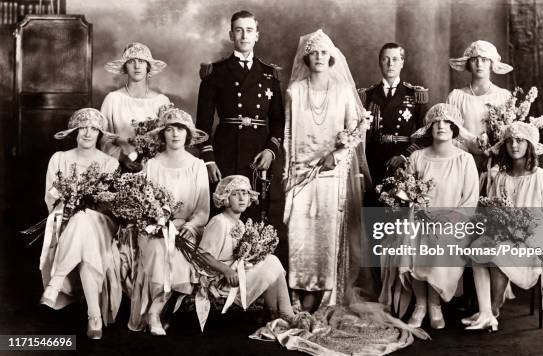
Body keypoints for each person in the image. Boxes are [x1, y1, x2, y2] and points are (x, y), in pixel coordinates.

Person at [283, 29, 369, 311]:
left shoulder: (343, 91)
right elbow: (287, 134)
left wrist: (339, 152)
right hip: (300, 173)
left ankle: (326, 293)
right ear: (306, 57)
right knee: (300, 232)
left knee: (326, 232)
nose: (319, 57)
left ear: (331, 57)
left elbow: (357, 128)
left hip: (332, 173)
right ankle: (300, 291)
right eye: (314, 52)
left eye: (324, 53)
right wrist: (288, 172)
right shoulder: (295, 91)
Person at [385, 103, 479, 329]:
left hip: (452, 221)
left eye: (447, 123)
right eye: (436, 123)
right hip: (419, 217)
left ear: (455, 128)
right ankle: (420, 305)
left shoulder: (464, 160)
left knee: (439, 241)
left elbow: (470, 200)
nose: (441, 126)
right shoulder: (417, 157)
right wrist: (409, 200)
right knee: (415, 238)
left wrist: (449, 220)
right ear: (429, 128)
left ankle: (435, 306)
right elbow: (406, 190)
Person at [463, 121, 543, 331]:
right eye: (509, 141)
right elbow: (492, 210)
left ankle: (492, 310)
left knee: (498, 252)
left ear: (530, 145)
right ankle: (486, 312)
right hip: (504, 235)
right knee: (477, 247)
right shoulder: (500, 178)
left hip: (532, 241)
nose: (514, 145)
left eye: (520, 141)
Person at [39, 108, 121, 339]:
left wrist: (86, 201)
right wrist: (69, 199)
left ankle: (55, 283)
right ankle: (94, 316)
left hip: (101, 222)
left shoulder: (109, 163)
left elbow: (107, 204)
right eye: (83, 128)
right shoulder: (60, 159)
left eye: (93, 129)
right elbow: (50, 197)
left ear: (99, 133)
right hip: (66, 220)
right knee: (84, 237)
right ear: (74, 131)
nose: (87, 133)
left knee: (85, 218)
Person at [127, 107, 210, 335]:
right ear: (162, 134)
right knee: (158, 250)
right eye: (170, 129)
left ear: (188, 134)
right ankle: (158, 314)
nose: (175, 134)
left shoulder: (197, 166)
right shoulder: (152, 165)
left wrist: (191, 225)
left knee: (178, 257)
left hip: (186, 230)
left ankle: (154, 313)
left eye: (181, 129)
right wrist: (157, 223)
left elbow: (203, 210)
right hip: (155, 228)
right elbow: (144, 203)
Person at [198, 175, 302, 328]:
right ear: (225, 197)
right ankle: (282, 314)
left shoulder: (240, 223)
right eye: (235, 193)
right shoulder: (219, 221)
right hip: (221, 281)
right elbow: (202, 254)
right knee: (271, 262)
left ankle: (280, 314)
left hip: (237, 273)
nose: (241, 198)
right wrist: (226, 270)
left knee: (270, 261)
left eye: (245, 193)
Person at [196, 10, 284, 186]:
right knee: (224, 206)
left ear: (257, 36)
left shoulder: (269, 74)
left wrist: (270, 150)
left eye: (249, 30)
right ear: (231, 35)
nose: (244, 36)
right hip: (225, 152)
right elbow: (203, 124)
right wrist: (208, 159)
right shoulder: (215, 73)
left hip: (259, 152)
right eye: (239, 30)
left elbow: (278, 120)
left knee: (256, 208)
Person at [361, 42, 428, 191]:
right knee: (373, 208)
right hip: (373, 160)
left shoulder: (415, 95)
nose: (390, 64)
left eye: (395, 59)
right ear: (380, 62)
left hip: (403, 160)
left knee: (398, 209)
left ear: (402, 62)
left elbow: (426, 133)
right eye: (385, 59)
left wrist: (405, 156)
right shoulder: (367, 95)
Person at [101, 42, 171, 171]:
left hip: (155, 168)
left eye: (142, 61)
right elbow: (103, 140)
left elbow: (169, 139)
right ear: (125, 67)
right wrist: (121, 157)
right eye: (131, 61)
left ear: (148, 67)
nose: (137, 66)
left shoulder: (161, 101)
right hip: (118, 167)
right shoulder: (113, 99)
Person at [447, 40, 513, 172]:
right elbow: (451, 129)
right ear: (468, 64)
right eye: (474, 60)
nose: (479, 64)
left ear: (491, 64)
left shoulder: (503, 96)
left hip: (494, 164)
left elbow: (509, 133)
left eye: (484, 59)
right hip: (462, 162)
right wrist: (472, 142)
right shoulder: (456, 97)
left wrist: (493, 152)